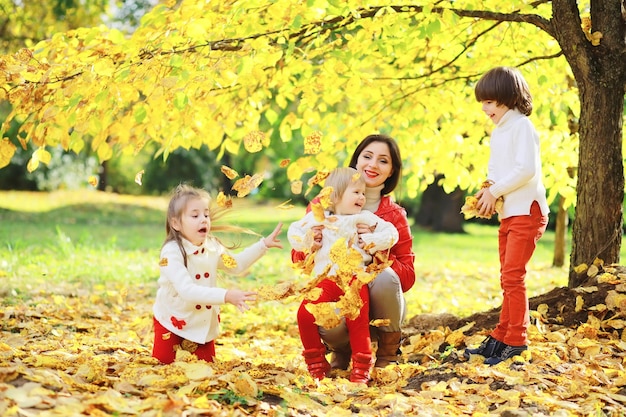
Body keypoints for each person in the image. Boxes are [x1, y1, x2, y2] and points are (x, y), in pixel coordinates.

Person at [292, 134, 416, 369]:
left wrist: (375, 249)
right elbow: (297, 257)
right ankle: (341, 351)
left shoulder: (393, 216)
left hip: (379, 306)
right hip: (337, 293)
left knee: (387, 279)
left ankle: (387, 355)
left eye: (383, 160)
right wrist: (313, 244)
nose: (372, 165)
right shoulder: (324, 204)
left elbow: (408, 278)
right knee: (322, 299)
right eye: (367, 156)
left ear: (391, 171)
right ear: (356, 162)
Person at [464, 66, 549, 365]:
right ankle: (501, 335)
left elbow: (527, 170)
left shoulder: (521, 126)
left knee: (514, 277)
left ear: (507, 97)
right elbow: (496, 173)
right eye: (483, 103)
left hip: (528, 210)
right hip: (510, 213)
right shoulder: (499, 132)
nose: (485, 109)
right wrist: (486, 194)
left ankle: (517, 341)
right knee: (507, 278)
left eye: (489, 101)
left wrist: (496, 190)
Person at [288, 167, 399, 383]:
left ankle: (361, 366)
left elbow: (391, 233)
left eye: (363, 193)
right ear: (335, 196)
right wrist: (309, 240)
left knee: (357, 320)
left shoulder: (364, 218)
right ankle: (316, 362)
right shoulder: (319, 218)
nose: (361, 197)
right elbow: (294, 232)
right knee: (305, 314)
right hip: (326, 279)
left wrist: (372, 241)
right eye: (355, 192)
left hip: (354, 279)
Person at [152, 184, 283, 364]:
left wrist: (263, 245)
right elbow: (187, 291)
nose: (204, 219)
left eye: (206, 215)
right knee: (163, 365)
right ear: (176, 223)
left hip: (201, 323)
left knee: (207, 369)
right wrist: (227, 296)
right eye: (195, 215)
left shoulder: (212, 247)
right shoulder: (171, 252)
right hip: (172, 319)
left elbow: (236, 265)